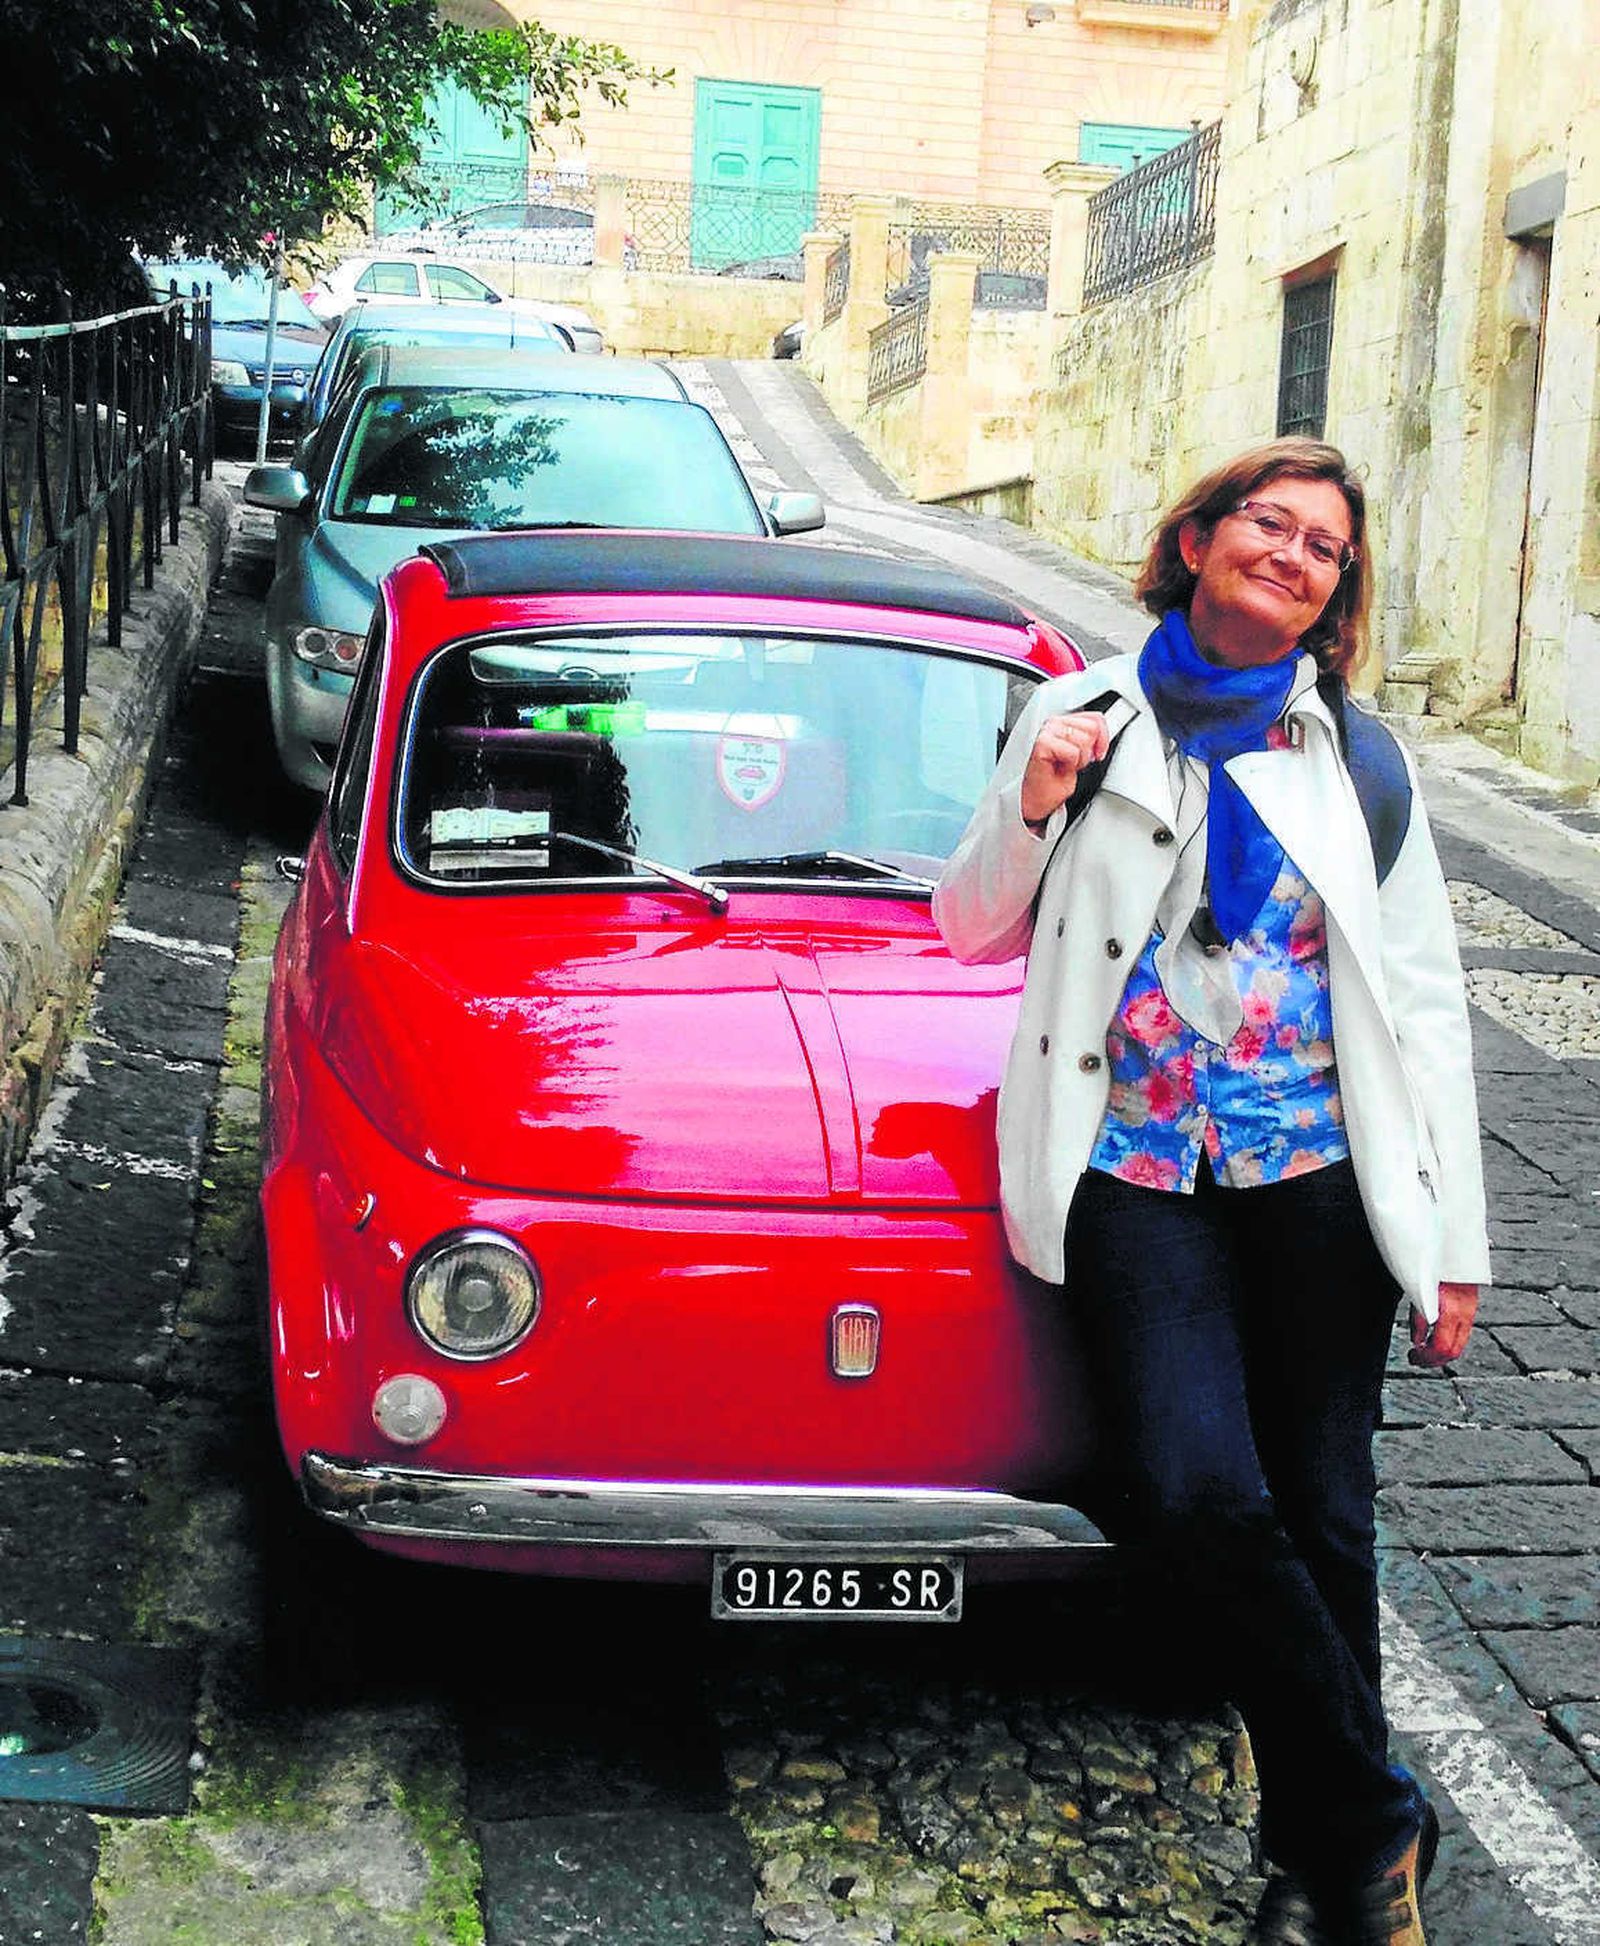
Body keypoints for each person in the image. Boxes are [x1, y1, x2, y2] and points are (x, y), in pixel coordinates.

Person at [933, 439, 1488, 1946]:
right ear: (1196, 538)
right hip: (1137, 1170)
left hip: (1316, 1174)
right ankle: (1381, 1815)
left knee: (1325, 1514)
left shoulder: (1358, 762)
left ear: (1334, 597)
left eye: (1324, 548)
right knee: (1195, 1490)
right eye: (1269, 523)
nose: (1294, 555)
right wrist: (1036, 803)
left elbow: (1424, 999)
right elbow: (970, 922)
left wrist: (1454, 1242)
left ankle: (1321, 1872)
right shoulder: (1082, 716)